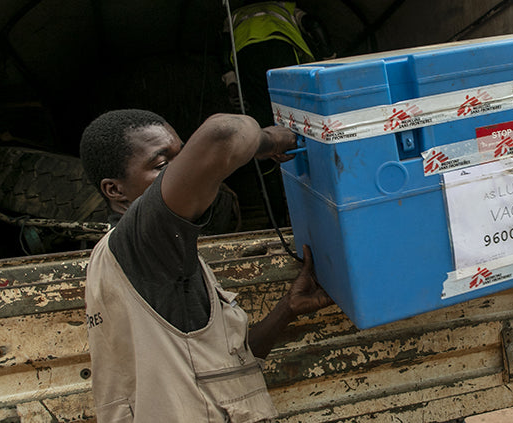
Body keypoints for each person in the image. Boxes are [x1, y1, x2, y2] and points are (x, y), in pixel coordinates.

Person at [79, 109, 333, 422]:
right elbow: (223, 134)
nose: (181, 170)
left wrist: (287, 310)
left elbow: (217, 367)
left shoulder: (144, 254)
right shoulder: (143, 240)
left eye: (182, 156)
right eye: (162, 165)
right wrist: (270, 141)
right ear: (114, 190)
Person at [221, 1, 334, 228]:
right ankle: (316, 203)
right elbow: (313, 25)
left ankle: (278, 218)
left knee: (263, 133)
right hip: (282, 52)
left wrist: (232, 86)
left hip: (246, 59)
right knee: (298, 120)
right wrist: (329, 58)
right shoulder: (286, 6)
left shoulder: (232, 16)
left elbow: (223, 52)